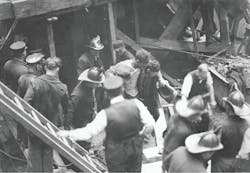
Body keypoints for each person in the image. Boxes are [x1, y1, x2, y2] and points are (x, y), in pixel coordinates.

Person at [58, 76, 155, 172]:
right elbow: (150, 125)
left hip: (116, 153)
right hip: (135, 148)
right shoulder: (137, 103)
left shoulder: (105, 114)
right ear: (122, 89)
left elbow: (88, 133)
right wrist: (139, 136)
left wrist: (67, 133)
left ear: (107, 93)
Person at [24, 57, 69, 172]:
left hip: (35, 125)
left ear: (44, 67)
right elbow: (66, 109)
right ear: (58, 69)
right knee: (48, 154)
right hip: (51, 127)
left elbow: (26, 102)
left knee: (35, 155)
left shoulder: (35, 82)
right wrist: (64, 125)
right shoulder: (62, 88)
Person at [162, 95, 210, 170]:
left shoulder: (175, 117)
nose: (200, 118)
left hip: (168, 155)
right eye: (198, 115)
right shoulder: (183, 131)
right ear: (191, 114)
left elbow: (165, 135)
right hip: (174, 160)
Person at [65, 67, 107, 150]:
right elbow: (69, 112)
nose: (99, 85)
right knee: (83, 147)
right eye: (97, 83)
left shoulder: (88, 87)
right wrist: (68, 129)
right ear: (90, 82)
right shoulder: (77, 95)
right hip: (79, 124)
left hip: (87, 119)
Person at [211, 89, 250, 172]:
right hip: (237, 163)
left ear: (228, 106)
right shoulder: (247, 125)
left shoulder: (220, 125)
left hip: (221, 162)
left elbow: (212, 146)